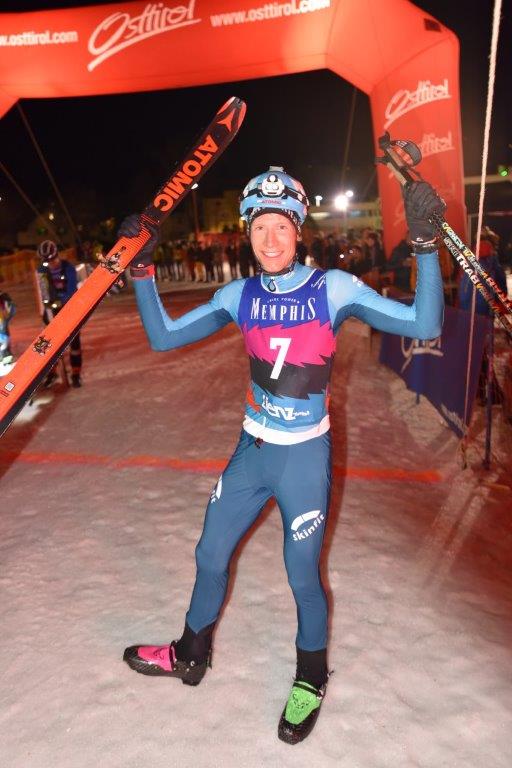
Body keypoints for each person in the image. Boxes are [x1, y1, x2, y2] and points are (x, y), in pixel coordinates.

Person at [119, 168, 444, 745]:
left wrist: (423, 246)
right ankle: (190, 653)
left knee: (301, 575)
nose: (270, 240)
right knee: (209, 552)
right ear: (247, 232)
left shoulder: (332, 288)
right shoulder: (238, 295)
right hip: (253, 451)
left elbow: (424, 322)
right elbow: (164, 338)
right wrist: (141, 270)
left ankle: (311, 677)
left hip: (303, 460)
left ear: (298, 230)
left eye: (282, 227)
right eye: (259, 228)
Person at [36, 240, 83, 387]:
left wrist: (61, 300)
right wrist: (47, 309)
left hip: (69, 308)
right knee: (50, 344)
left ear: (56, 255)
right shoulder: (42, 270)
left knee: (74, 343)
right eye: (46, 261)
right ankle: (52, 372)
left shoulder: (68, 268)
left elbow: (71, 290)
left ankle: (76, 374)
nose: (50, 264)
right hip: (52, 310)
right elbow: (44, 292)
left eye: (52, 260)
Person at [0, 291, 16, 373]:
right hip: (2, 322)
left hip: (1, 322)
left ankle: (7, 362)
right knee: (4, 344)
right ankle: (6, 361)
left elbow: (10, 306)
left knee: (4, 344)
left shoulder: (3, 296)